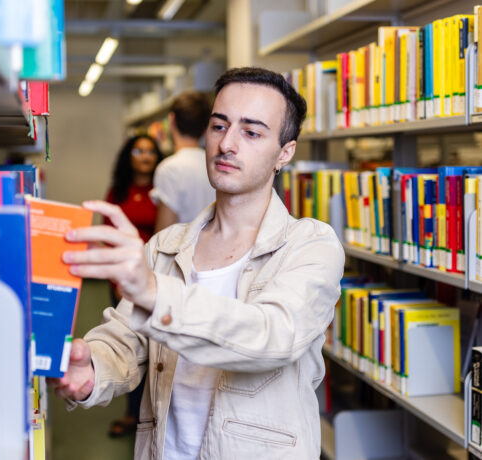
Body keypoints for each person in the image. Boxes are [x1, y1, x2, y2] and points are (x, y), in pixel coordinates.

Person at [49, 67, 345, 459]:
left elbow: (273, 335)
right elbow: (125, 340)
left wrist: (156, 293)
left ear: (284, 153)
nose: (227, 144)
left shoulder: (310, 245)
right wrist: (92, 370)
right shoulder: (166, 246)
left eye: (252, 132)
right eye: (219, 126)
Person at [103, 134, 163, 437]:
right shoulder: (119, 192)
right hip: (121, 280)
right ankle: (132, 413)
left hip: (157, 279)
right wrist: (117, 280)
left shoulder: (163, 191)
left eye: (151, 151)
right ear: (129, 155)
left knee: (156, 348)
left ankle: (153, 413)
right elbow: (108, 235)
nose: (145, 156)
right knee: (129, 342)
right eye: (139, 150)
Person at [150, 91, 215, 232]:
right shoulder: (216, 164)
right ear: (206, 128)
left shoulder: (169, 169)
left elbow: (164, 235)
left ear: (171, 121)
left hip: (181, 252)